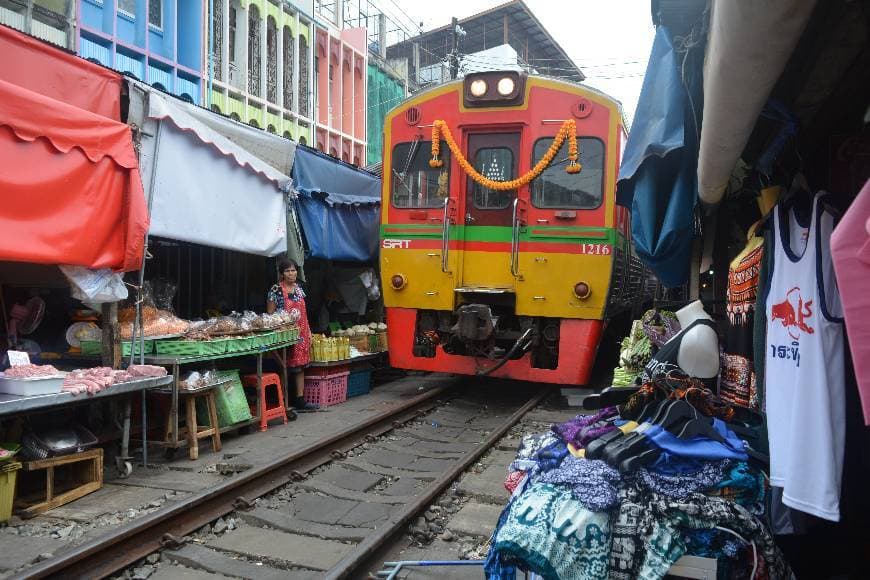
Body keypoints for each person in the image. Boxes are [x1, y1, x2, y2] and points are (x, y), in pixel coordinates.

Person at [266, 258, 318, 410]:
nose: (291, 273)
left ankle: (300, 400)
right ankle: (283, 401)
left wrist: (308, 330)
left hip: (301, 331)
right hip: (285, 333)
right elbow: (270, 313)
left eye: (293, 270)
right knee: (284, 367)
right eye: (287, 271)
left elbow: (304, 312)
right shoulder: (275, 289)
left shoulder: (299, 287)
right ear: (282, 274)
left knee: (300, 366)